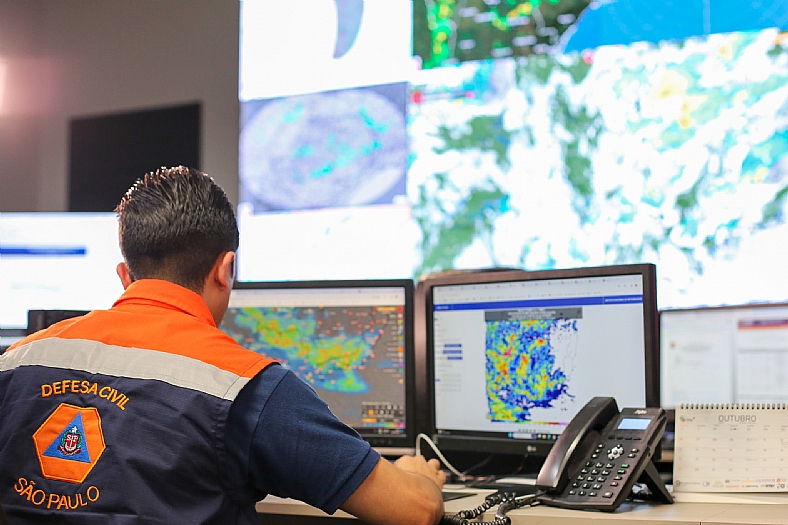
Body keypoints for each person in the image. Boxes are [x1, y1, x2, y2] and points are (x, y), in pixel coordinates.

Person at [0, 166, 445, 525]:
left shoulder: (17, 361)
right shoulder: (246, 385)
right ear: (225, 270)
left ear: (124, 275)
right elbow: (415, 512)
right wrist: (418, 477)